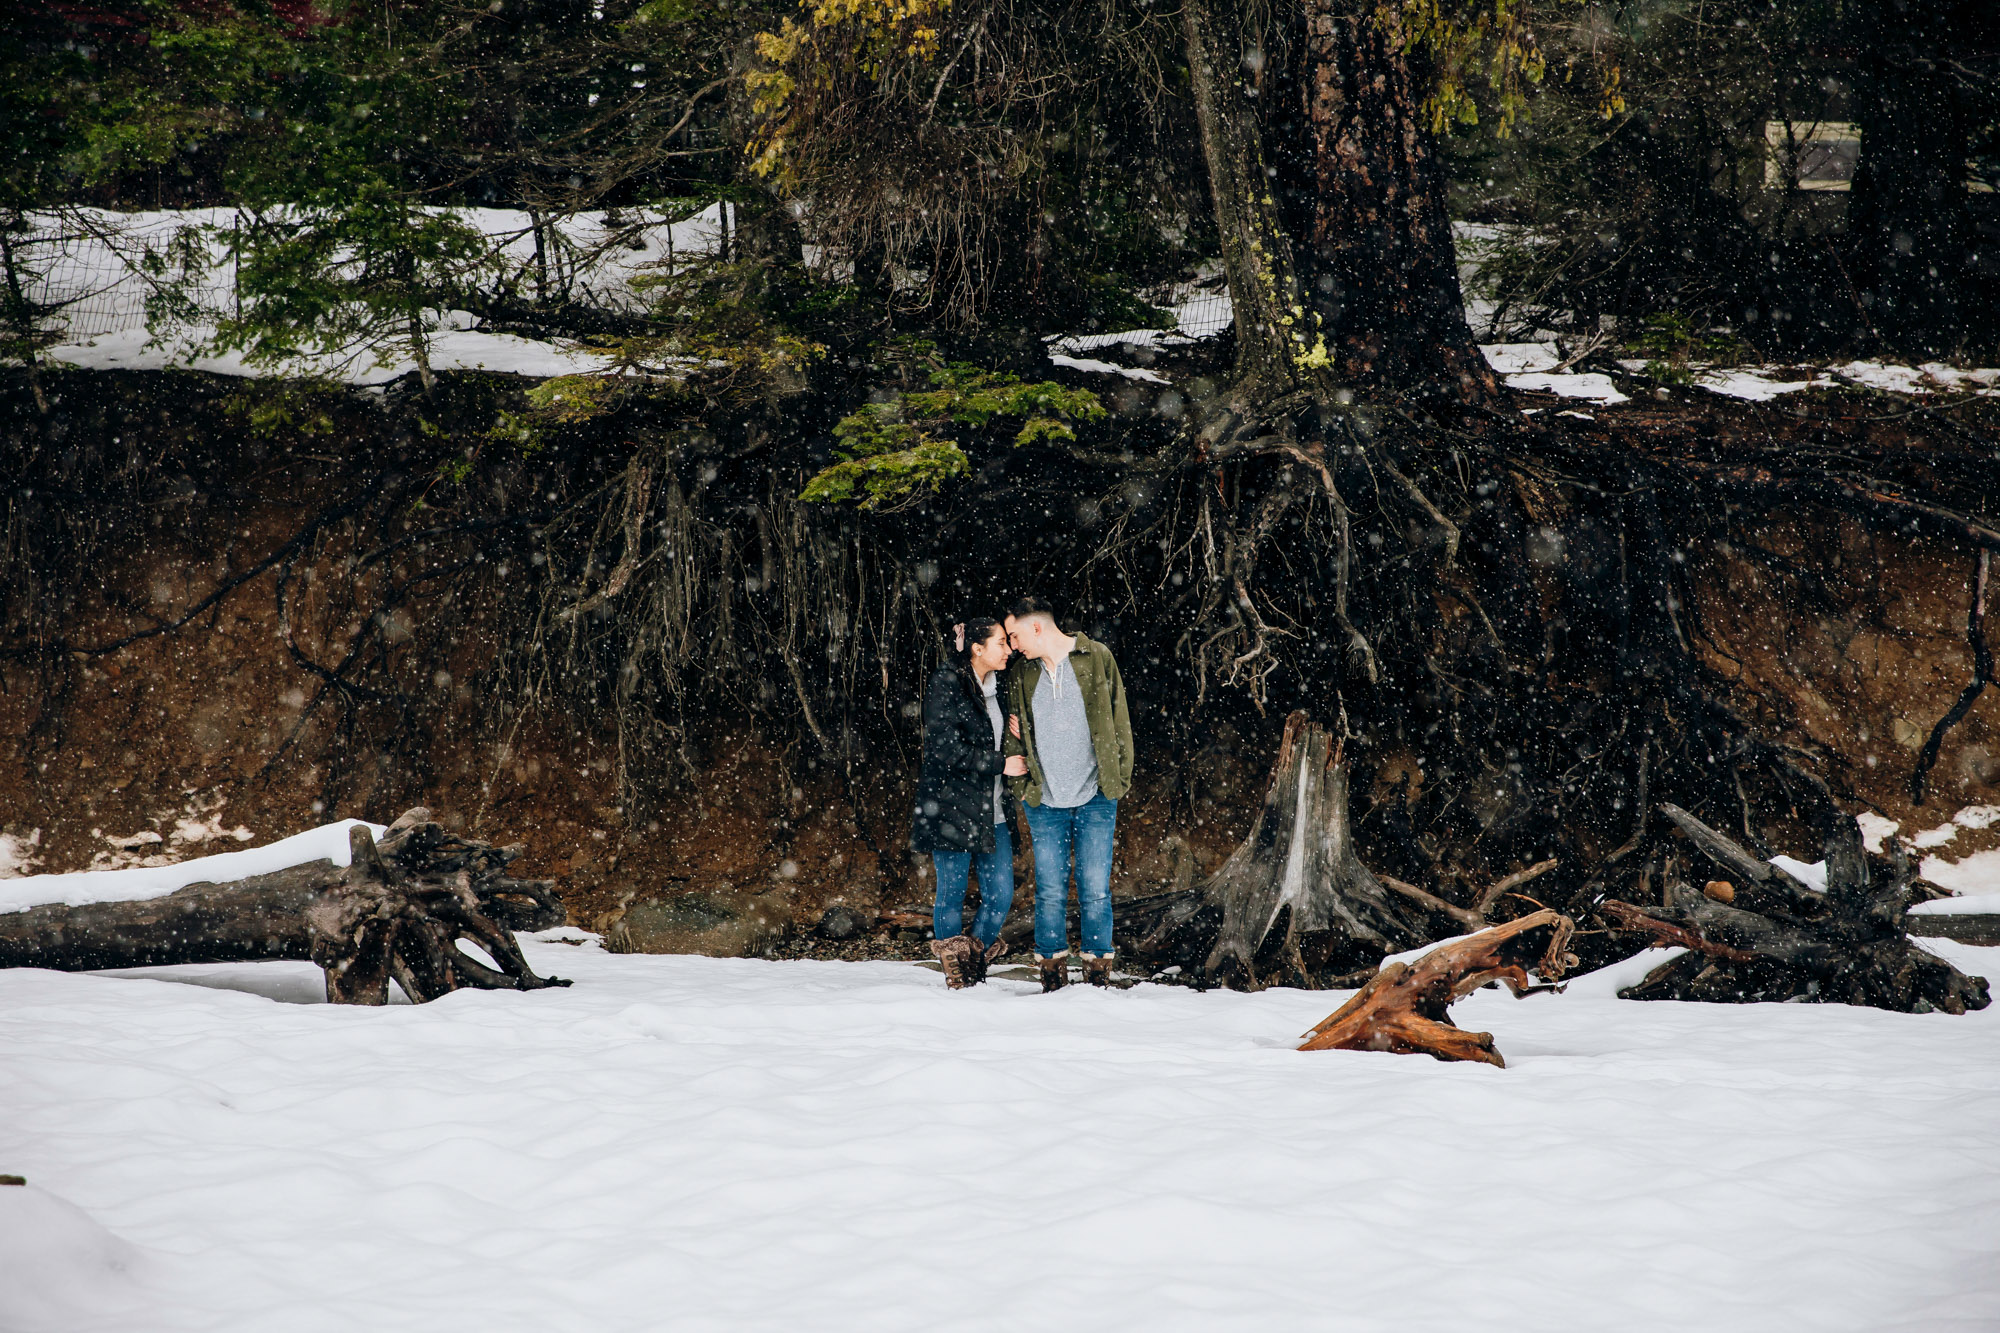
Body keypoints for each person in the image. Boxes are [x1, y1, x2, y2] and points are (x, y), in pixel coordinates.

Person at [1001, 597, 1133, 991]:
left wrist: (1118, 778)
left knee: (1095, 886)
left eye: (1015, 635)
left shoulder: (1096, 657)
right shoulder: (1023, 672)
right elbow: (1013, 734)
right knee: (1051, 888)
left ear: (1037, 628)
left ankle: (1097, 976)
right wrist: (1023, 786)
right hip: (1045, 800)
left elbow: (1119, 715)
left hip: (1095, 795)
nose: (1012, 644)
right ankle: (1052, 973)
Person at [912, 615, 1031, 989]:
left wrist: (1019, 730)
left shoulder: (1002, 686)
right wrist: (999, 763)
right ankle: (959, 975)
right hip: (951, 807)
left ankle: (974, 962)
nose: (1008, 650)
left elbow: (1002, 735)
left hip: (993, 807)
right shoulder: (947, 682)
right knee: (950, 891)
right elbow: (943, 748)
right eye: (1000, 643)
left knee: (1000, 895)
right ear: (977, 649)